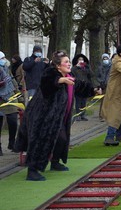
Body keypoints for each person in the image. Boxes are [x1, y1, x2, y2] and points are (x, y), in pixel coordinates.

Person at [15, 50, 101, 181]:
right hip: (42, 116)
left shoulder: (69, 75)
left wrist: (93, 89)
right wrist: (61, 80)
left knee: (62, 139)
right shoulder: (50, 73)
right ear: (58, 65)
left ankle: (55, 162)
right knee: (40, 140)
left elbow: (79, 86)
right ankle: (32, 171)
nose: (68, 63)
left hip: (60, 116)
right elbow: (47, 84)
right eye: (65, 62)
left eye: (68, 61)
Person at [0, 52, 20, 156]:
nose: (4, 60)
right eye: (2, 58)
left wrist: (17, 93)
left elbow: (13, 82)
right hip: (0, 98)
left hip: (10, 97)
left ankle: (12, 143)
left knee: (13, 121)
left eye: (4, 57)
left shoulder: (7, 69)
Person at [71, 53, 96, 121]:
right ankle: (78, 115)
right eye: (79, 59)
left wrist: (87, 67)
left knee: (84, 102)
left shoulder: (86, 68)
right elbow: (72, 76)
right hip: (78, 87)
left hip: (85, 87)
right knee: (78, 102)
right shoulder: (74, 68)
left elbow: (91, 75)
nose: (81, 61)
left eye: (82, 59)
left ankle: (83, 115)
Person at [97, 53, 112, 121]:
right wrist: (99, 86)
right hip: (103, 86)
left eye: (106, 58)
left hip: (111, 85)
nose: (105, 60)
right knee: (103, 101)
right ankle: (102, 115)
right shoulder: (100, 67)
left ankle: (109, 115)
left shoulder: (111, 66)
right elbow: (98, 77)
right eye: (104, 59)